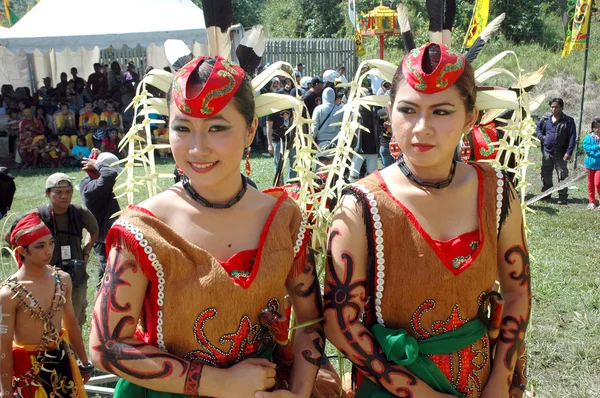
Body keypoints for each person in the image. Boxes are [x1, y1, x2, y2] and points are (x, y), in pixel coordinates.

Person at [89, 55, 323, 397]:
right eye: (182, 128)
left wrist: (299, 393)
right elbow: (105, 345)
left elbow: (310, 321)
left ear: (251, 130)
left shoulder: (283, 220)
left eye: (217, 128)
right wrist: (220, 383)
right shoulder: (144, 229)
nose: (198, 148)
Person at [324, 43, 531, 397]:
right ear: (389, 115)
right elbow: (339, 322)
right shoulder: (361, 205)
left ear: (469, 118)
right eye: (408, 109)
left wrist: (499, 381)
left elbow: (516, 292)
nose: (422, 127)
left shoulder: (496, 191)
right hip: (392, 388)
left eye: (441, 111)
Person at [0, 212, 92, 397]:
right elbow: (3, 346)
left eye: (51, 243)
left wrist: (84, 362)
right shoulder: (9, 293)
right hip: (28, 375)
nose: (49, 250)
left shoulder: (62, 279)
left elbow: (71, 323)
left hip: (63, 364)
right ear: (22, 251)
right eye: (40, 246)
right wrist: (6, 391)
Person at [35, 173, 99, 327]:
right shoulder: (39, 215)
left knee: (74, 321)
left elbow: (94, 231)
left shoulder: (79, 212)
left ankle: (72, 350)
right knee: (46, 322)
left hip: (75, 278)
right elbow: (12, 236)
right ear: (47, 193)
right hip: (46, 276)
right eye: (58, 192)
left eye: (68, 192)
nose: (64, 196)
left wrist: (86, 252)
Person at [80, 150, 122, 290]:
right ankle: (102, 303)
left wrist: (95, 159)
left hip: (108, 236)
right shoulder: (92, 188)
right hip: (103, 240)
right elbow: (110, 174)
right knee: (106, 276)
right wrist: (98, 163)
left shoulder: (94, 182)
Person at [535, 98, 576, 204]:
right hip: (547, 152)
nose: (553, 109)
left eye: (556, 107)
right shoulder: (545, 119)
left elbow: (572, 137)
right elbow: (538, 128)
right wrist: (541, 137)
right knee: (546, 174)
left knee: (562, 175)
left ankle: (562, 197)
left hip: (561, 153)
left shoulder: (568, 121)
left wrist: (569, 152)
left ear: (561, 107)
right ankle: (546, 194)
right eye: (552, 107)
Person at [583, 117, 600, 209]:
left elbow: (589, 151)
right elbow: (586, 149)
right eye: (595, 127)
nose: (597, 129)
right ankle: (591, 202)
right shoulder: (588, 137)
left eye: (599, 127)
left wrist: (592, 151)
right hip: (589, 165)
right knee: (590, 184)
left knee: (598, 183)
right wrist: (597, 147)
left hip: (599, 166)